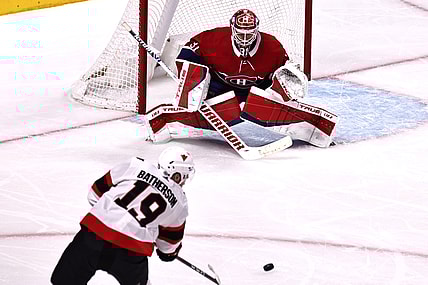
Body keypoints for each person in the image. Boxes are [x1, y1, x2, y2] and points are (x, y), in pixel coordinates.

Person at [146, 8, 337, 148]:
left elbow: (284, 73)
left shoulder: (272, 47)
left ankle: (316, 130)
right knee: (205, 107)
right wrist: (192, 82)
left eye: (249, 33)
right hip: (220, 88)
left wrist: (286, 85)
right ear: (232, 28)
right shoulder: (214, 39)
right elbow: (187, 53)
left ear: (257, 30)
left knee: (270, 105)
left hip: (258, 89)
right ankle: (165, 126)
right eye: (240, 33)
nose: (245, 38)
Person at [51, 146, 195, 285]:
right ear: (179, 175)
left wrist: (111, 212)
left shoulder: (136, 165)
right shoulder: (180, 202)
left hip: (92, 237)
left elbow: (94, 194)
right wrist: (168, 254)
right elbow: (168, 247)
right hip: (131, 253)